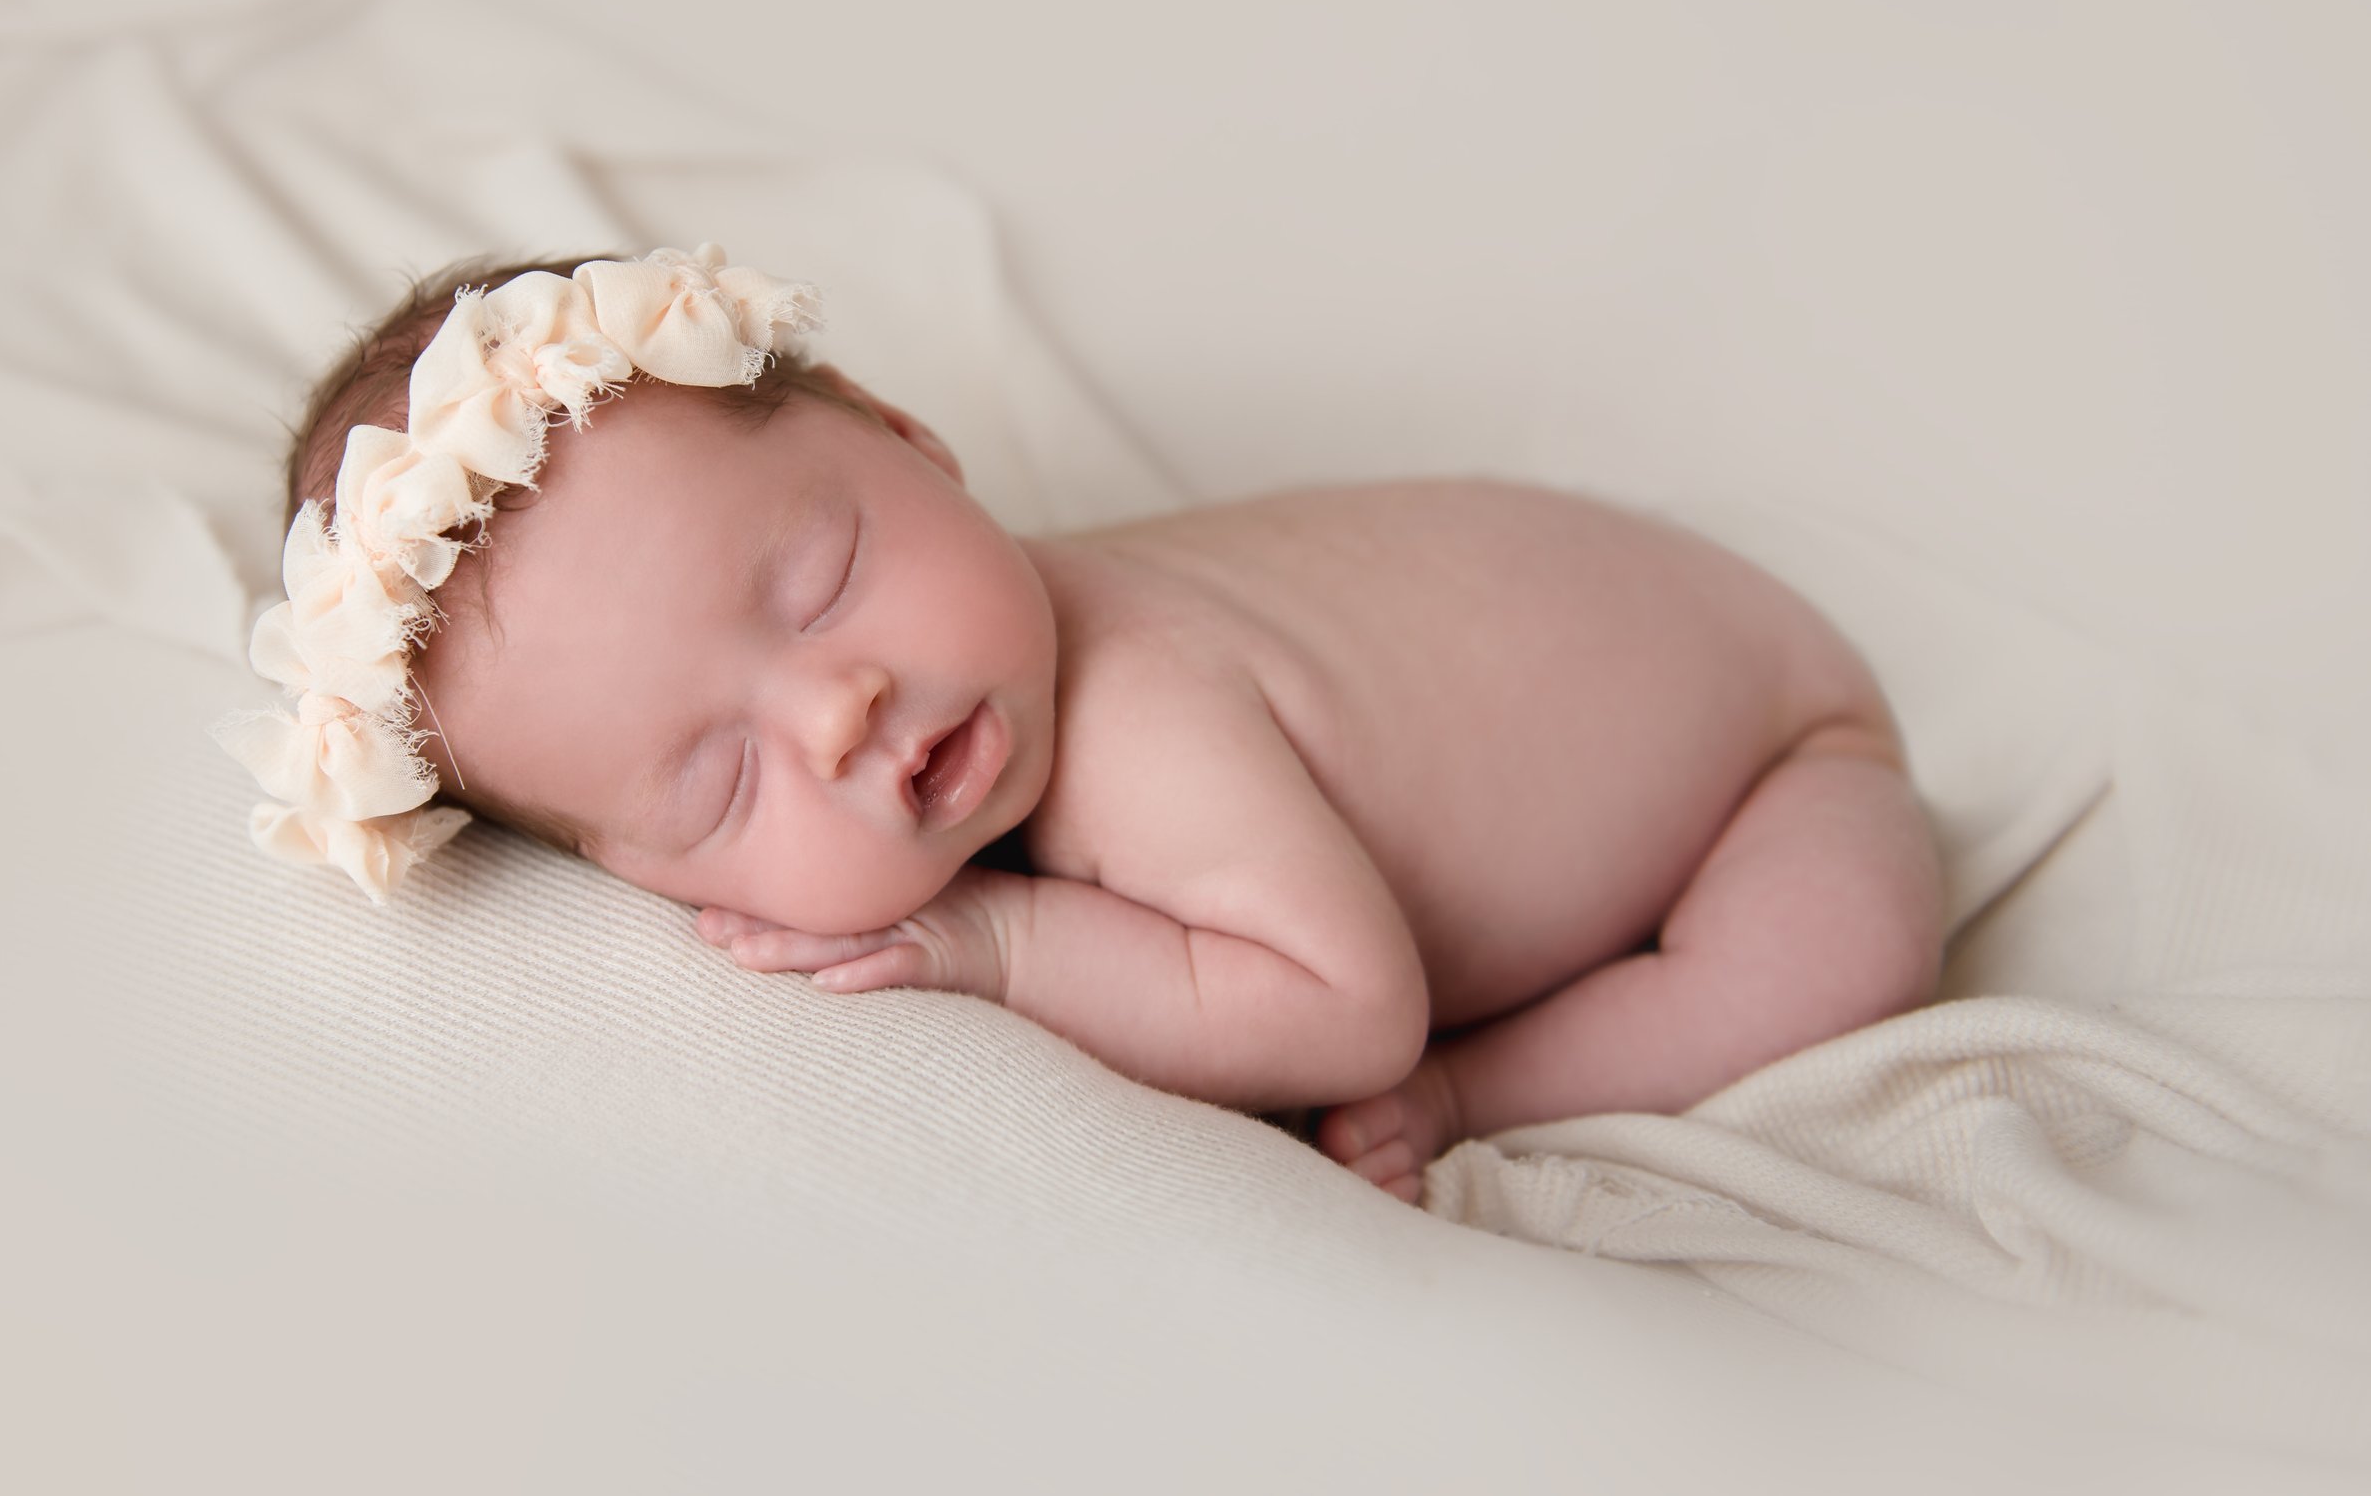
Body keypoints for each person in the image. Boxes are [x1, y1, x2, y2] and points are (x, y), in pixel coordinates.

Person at [223, 244, 1946, 1205]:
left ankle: (1487, 1091)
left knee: (1840, 944)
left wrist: (1003, 947)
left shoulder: (1132, 711)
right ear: (624, 871)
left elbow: (1345, 1006)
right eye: (720, 779)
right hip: (1589, 637)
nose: (839, 711)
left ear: (911, 440)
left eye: (825, 580)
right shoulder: (976, 674)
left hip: (1770, 749)